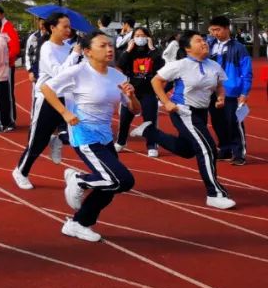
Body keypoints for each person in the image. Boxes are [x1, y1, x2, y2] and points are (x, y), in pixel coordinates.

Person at [41, 31, 138, 242]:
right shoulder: (77, 72)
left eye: (110, 45)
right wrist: (65, 113)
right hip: (84, 135)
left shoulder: (117, 76)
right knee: (122, 180)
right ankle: (79, 179)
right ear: (87, 52)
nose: (110, 49)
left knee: (111, 187)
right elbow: (46, 88)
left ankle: (78, 223)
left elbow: (135, 110)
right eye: (102, 45)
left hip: (105, 137)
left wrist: (131, 97)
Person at [150, 31, 236, 209]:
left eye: (204, 40)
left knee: (188, 149)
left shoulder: (213, 65)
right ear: (188, 48)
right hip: (183, 111)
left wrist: (220, 98)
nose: (204, 43)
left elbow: (219, 86)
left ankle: (150, 132)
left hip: (201, 112)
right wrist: (166, 102)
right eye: (198, 41)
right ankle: (214, 193)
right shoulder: (180, 65)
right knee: (207, 148)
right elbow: (156, 81)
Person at [12, 13, 77, 189]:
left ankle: (54, 138)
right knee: (37, 140)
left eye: (69, 27)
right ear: (52, 27)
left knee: (75, 132)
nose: (68, 30)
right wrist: (74, 56)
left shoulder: (68, 47)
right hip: (47, 97)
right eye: (65, 26)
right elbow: (59, 73)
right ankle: (21, 171)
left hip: (65, 97)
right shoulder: (47, 47)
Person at [206, 15, 252, 165]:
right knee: (217, 122)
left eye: (217, 29)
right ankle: (225, 148)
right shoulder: (209, 45)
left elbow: (247, 71)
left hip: (231, 91)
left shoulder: (239, 48)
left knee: (234, 122)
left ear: (227, 29)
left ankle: (239, 153)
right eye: (212, 30)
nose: (214, 33)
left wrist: (244, 92)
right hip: (212, 90)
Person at [116, 26, 163, 156]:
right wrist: (128, 50)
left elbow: (160, 65)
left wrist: (152, 47)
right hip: (131, 92)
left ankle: (151, 145)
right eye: (137, 36)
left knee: (150, 119)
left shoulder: (153, 52)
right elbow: (120, 65)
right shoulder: (128, 53)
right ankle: (121, 142)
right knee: (125, 118)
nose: (140, 38)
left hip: (148, 91)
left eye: (143, 35)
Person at [24, 17, 46, 85]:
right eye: (42, 23)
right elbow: (28, 54)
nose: (43, 26)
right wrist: (30, 71)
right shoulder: (33, 37)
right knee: (36, 94)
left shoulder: (54, 37)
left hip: (49, 72)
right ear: (38, 23)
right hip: (36, 71)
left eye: (46, 24)